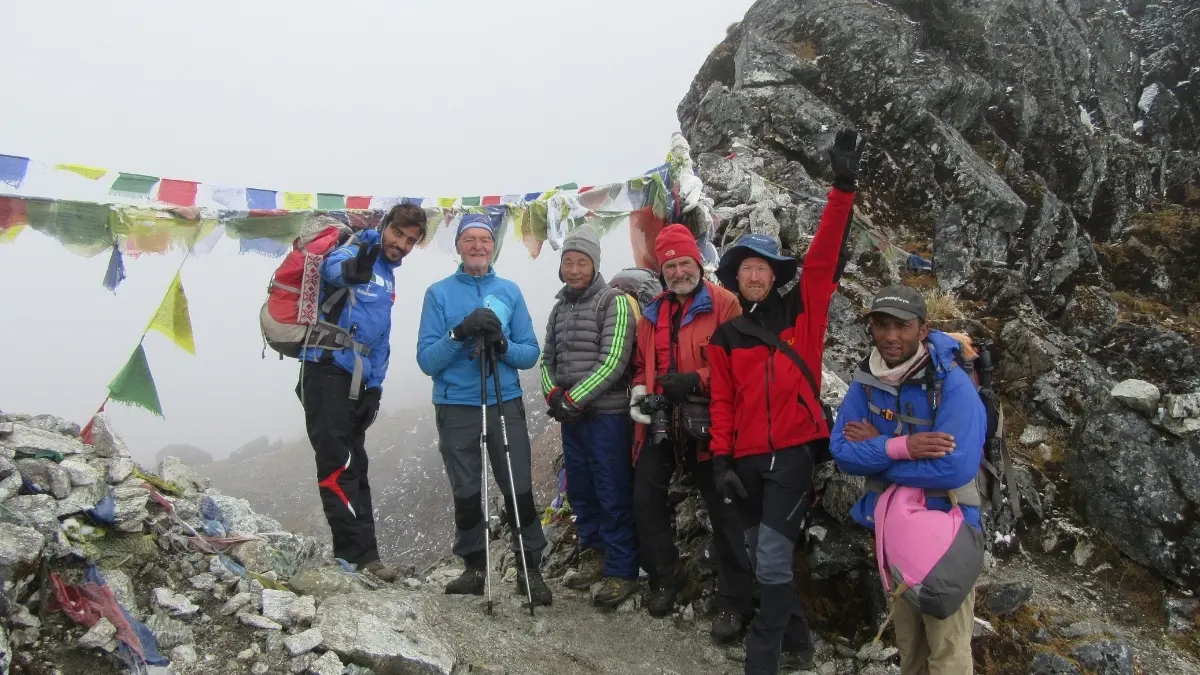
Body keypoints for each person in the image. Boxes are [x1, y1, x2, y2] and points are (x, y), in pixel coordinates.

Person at [707, 129, 862, 674]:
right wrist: (721, 461)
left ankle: (763, 660)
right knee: (758, 557)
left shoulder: (804, 312)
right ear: (736, 276)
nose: (754, 273)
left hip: (793, 454)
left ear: (775, 275)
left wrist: (843, 187)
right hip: (745, 462)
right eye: (745, 267)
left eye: (763, 267)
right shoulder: (725, 338)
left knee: (772, 558)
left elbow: (823, 257)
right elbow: (722, 403)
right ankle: (799, 645)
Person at [830, 285, 986, 675]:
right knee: (910, 648)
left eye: (902, 326)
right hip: (892, 533)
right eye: (882, 325)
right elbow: (842, 453)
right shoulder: (868, 379)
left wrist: (879, 455)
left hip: (947, 533)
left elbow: (956, 467)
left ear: (923, 328)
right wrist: (903, 446)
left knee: (948, 654)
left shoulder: (952, 385)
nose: (891, 336)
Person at [416, 212, 552, 606]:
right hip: (456, 404)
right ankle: (475, 568)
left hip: (502, 400)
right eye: (470, 239)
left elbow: (529, 353)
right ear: (458, 245)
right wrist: (460, 332)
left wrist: (503, 344)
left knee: (517, 485)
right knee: (467, 488)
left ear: (494, 246)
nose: (478, 246)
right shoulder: (438, 294)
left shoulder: (509, 291)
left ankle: (531, 569)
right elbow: (428, 361)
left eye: (485, 240)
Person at [628, 222, 753, 641]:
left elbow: (739, 365)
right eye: (670, 266)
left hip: (710, 424)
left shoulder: (725, 304)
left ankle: (736, 603)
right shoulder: (653, 312)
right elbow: (642, 364)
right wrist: (641, 392)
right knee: (645, 499)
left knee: (725, 511)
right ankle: (667, 578)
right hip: (663, 422)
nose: (679, 272)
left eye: (685, 263)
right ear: (661, 271)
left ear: (697, 262)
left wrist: (697, 380)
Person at [297, 204, 428, 582]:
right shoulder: (354, 248)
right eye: (398, 234)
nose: (401, 244)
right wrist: (352, 270)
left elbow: (382, 338)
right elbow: (332, 268)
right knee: (337, 465)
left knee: (357, 464)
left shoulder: (388, 276)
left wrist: (377, 387)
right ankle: (355, 558)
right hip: (324, 371)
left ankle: (366, 556)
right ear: (385, 226)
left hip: (356, 379)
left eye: (410, 241)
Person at [540, 225, 640, 608]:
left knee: (612, 489)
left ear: (595, 264)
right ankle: (595, 556)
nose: (575, 269)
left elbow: (614, 360)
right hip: (572, 417)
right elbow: (546, 359)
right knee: (580, 490)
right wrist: (553, 394)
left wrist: (574, 398)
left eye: (582, 262)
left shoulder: (612, 302)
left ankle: (622, 570)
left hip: (607, 417)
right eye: (568, 262)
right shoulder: (558, 308)